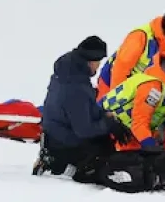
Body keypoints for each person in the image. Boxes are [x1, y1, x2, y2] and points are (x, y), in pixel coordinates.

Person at [33, 35, 134, 181]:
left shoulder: (69, 74)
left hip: (53, 135)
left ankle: (54, 157)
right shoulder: (75, 87)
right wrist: (108, 125)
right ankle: (59, 164)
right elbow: (84, 130)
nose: (98, 66)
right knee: (104, 152)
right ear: (90, 60)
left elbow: (84, 109)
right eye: (98, 61)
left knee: (103, 137)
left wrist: (106, 116)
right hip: (63, 142)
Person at [98, 43, 165, 155]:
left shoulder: (163, 89)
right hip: (108, 136)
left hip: (123, 137)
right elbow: (139, 124)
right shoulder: (154, 87)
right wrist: (153, 149)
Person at [96, 3, 165, 100]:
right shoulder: (141, 36)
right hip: (112, 87)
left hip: (148, 96)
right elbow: (120, 70)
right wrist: (115, 102)